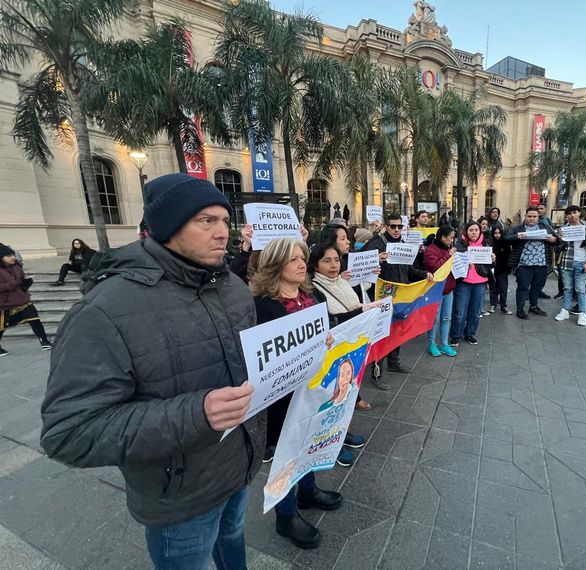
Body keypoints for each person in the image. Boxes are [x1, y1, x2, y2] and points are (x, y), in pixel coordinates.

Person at [40, 173, 264, 569]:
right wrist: (196, 414)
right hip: (177, 495)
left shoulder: (231, 286)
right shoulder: (105, 310)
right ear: (168, 227)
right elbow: (68, 432)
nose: (222, 232)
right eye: (205, 221)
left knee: (231, 540)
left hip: (237, 464)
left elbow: (247, 360)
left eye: (225, 221)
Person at [251, 238, 342, 550]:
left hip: (311, 387)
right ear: (275, 264)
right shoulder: (262, 305)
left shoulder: (310, 294)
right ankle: (285, 514)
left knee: (307, 441)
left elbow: (322, 330)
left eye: (302, 257)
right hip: (281, 396)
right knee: (285, 451)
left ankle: (307, 490)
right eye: (293, 260)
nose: (302, 263)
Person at [307, 242, 377, 461]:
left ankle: (342, 432)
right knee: (331, 396)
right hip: (332, 352)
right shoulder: (314, 289)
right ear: (316, 265)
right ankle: (328, 443)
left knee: (345, 394)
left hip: (351, 347)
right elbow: (333, 320)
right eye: (326, 261)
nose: (333, 265)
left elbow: (356, 302)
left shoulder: (342, 281)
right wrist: (361, 312)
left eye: (336, 259)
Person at [363, 212, 432, 388]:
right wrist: (375, 259)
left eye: (399, 226)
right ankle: (376, 373)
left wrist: (425, 274)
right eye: (393, 226)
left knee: (397, 331)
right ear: (386, 226)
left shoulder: (403, 244)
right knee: (381, 335)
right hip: (381, 299)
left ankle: (394, 363)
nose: (396, 229)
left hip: (401, 297)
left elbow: (410, 270)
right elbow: (358, 263)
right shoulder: (375, 244)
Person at [505, 207, 558, 320]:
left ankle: (533, 306)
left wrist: (552, 239)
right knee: (523, 287)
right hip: (524, 264)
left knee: (537, 287)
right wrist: (517, 237)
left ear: (538, 217)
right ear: (525, 216)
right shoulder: (519, 228)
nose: (532, 219)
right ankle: (520, 309)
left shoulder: (545, 227)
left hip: (542, 264)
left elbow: (557, 240)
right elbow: (506, 238)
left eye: (534, 216)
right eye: (529, 216)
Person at [0, 245, 52, 355]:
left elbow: (21, 281)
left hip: (23, 300)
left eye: (13, 255)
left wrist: (26, 284)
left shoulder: (17, 267)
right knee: (2, 327)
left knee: (35, 320)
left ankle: (44, 342)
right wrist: (16, 283)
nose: (12, 257)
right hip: (6, 304)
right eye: (9, 256)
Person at [450, 221, 494, 346]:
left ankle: (470, 333)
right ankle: (455, 335)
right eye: (471, 230)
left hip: (480, 282)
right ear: (466, 232)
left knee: (475, 311)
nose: (474, 232)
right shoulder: (459, 245)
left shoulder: (485, 244)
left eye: (476, 230)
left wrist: (493, 260)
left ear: (480, 231)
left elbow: (490, 265)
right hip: (463, 282)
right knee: (459, 310)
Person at [554, 206, 586, 326]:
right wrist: (560, 239)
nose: (572, 215)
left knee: (580, 289)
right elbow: (558, 247)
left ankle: (583, 313)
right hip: (567, 261)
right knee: (567, 288)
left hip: (582, 261)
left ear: (579, 213)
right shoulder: (563, 228)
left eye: (574, 212)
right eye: (569, 213)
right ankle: (565, 310)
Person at [423, 226, 458, 356]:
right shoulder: (430, 251)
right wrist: (448, 256)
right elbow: (436, 267)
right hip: (435, 290)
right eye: (451, 238)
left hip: (448, 288)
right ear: (443, 238)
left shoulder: (447, 248)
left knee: (446, 317)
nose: (452, 240)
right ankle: (431, 344)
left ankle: (444, 344)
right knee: (434, 318)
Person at [489, 226, 512, 314]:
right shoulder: (490, 243)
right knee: (493, 288)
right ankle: (493, 304)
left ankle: (504, 306)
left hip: (503, 270)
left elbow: (508, 256)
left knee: (503, 288)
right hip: (493, 270)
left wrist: (508, 269)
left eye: (499, 233)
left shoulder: (505, 243)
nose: (497, 235)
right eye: (495, 233)